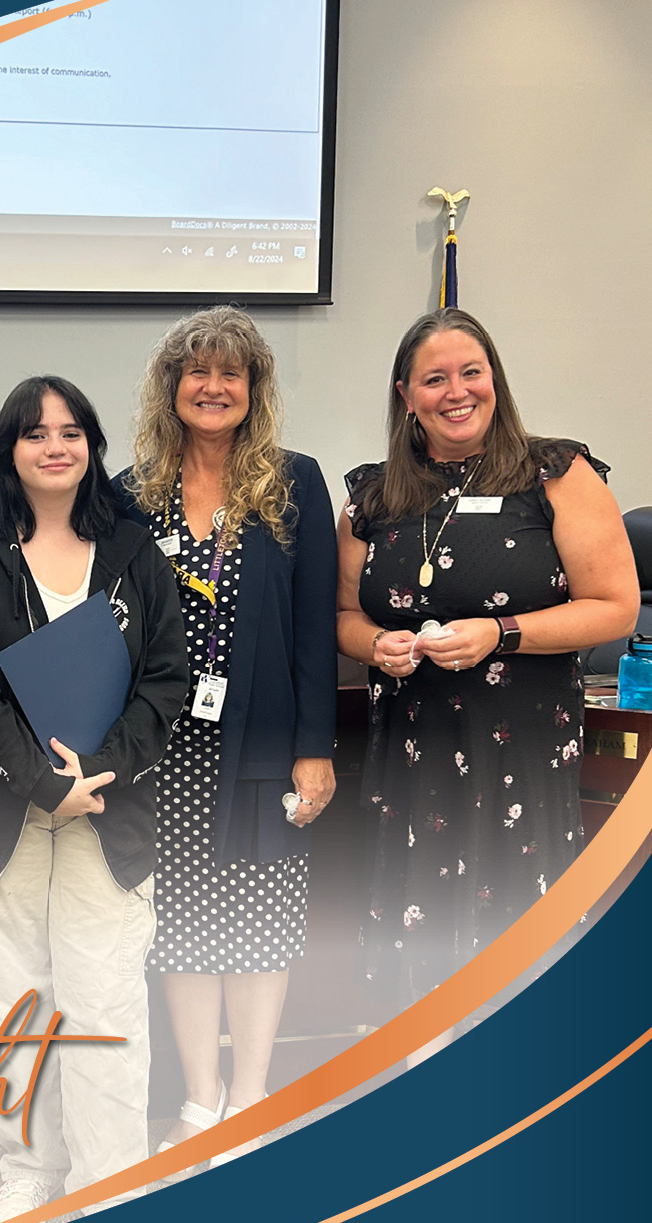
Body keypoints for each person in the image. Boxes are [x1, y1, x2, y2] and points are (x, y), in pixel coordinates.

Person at [337, 307, 638, 1060]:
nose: (456, 391)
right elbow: (342, 615)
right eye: (434, 379)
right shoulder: (373, 497)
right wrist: (378, 644)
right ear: (406, 395)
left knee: (512, 920)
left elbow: (615, 605)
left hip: (520, 751)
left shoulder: (555, 475)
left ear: (495, 379)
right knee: (417, 926)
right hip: (411, 753)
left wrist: (499, 633)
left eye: (472, 372)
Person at [0, 375, 189, 1223]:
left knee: (105, 996)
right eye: (36, 432)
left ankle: (110, 1176)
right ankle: (28, 1165)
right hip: (2, 814)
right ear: (10, 450)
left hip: (108, 814)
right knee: (11, 1003)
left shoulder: (133, 551)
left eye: (72, 430)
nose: (56, 445)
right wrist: (45, 783)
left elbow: (166, 681)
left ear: (91, 447)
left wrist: (101, 775)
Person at [117, 306, 337, 1166]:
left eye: (230, 373)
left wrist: (314, 744)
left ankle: (251, 1095)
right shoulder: (135, 492)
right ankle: (198, 1099)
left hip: (264, 743)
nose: (213, 387)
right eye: (197, 371)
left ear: (254, 390)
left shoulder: (295, 483)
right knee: (180, 927)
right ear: (172, 388)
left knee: (259, 921)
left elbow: (316, 625)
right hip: (165, 753)